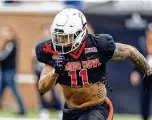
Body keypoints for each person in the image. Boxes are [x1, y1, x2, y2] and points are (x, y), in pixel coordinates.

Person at [35, 8, 152, 120]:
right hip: (71, 110)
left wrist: (148, 72)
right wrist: (55, 72)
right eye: (58, 37)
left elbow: (130, 51)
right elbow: (42, 88)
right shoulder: (52, 52)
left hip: (97, 108)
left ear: (80, 33)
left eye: (66, 37)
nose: (61, 42)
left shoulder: (97, 46)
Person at [33, 23, 63, 119]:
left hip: (52, 70)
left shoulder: (56, 44)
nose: (47, 32)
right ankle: (44, 109)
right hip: (40, 69)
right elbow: (33, 58)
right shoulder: (38, 43)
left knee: (54, 91)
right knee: (41, 90)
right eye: (45, 30)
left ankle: (58, 108)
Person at [0, 26, 26, 115]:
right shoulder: (8, 43)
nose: (3, 34)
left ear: (10, 33)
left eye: (4, 32)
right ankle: (22, 110)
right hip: (5, 71)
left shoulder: (11, 43)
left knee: (14, 90)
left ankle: (23, 110)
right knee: (1, 90)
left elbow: (3, 56)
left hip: (9, 71)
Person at [130, 23, 152, 120]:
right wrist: (135, 72)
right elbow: (137, 60)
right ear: (147, 33)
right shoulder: (142, 44)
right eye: (150, 33)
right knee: (144, 99)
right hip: (146, 76)